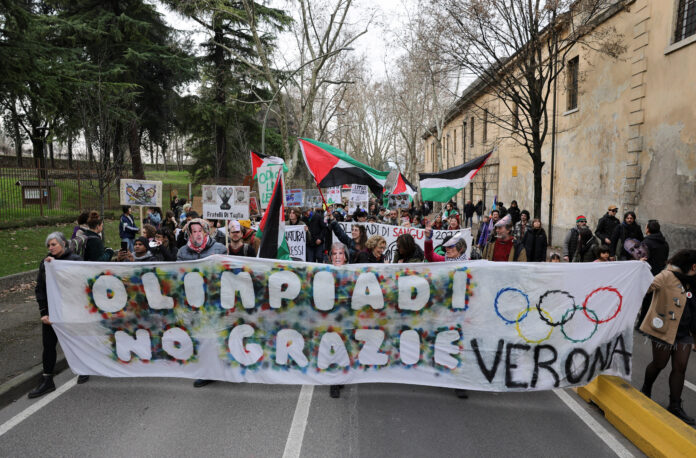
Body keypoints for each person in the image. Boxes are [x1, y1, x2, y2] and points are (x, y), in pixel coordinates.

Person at [639, 249, 696, 425]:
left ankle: (675, 405)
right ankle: (646, 389)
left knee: (680, 368)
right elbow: (645, 287)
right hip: (663, 329)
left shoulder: (694, 281)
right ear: (693, 266)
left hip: (685, 332)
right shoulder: (666, 276)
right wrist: (639, 269)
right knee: (659, 364)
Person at [28, 232, 86, 398]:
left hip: (70, 310)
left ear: (63, 244)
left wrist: (58, 267)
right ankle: (47, 380)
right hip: (52, 311)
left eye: (53, 244)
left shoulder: (75, 260)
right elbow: (40, 289)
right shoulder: (45, 263)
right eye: (48, 245)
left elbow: (80, 283)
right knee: (48, 345)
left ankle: (84, 368)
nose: (50, 248)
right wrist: (44, 312)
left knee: (76, 340)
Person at [327, 242, 349, 398]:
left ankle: (340, 376)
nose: (337, 256)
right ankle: (334, 382)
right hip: (331, 317)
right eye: (334, 254)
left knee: (344, 348)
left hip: (347, 317)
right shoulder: (324, 272)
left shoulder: (353, 273)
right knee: (333, 347)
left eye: (340, 253)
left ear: (345, 257)